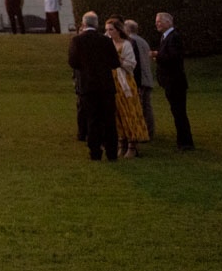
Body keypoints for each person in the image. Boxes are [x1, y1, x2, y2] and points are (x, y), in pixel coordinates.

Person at [67, 12, 121, 161]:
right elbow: (115, 63)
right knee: (109, 119)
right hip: (105, 86)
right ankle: (111, 152)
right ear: (96, 24)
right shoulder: (106, 41)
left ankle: (95, 152)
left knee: (92, 119)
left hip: (87, 86)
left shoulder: (77, 40)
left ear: (83, 24)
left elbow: (72, 62)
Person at [106, 20, 148, 157]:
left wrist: (118, 59)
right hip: (111, 81)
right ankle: (121, 142)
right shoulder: (107, 44)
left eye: (111, 29)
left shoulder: (126, 44)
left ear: (118, 30)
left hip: (124, 81)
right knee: (117, 113)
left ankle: (132, 144)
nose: (108, 32)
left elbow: (131, 64)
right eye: (107, 30)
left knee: (129, 111)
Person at [155, 11, 194, 150]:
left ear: (168, 22)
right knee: (177, 111)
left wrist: (157, 56)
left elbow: (174, 58)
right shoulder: (166, 37)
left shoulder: (174, 37)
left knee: (179, 112)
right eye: (156, 21)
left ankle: (185, 142)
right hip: (170, 80)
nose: (157, 24)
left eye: (159, 21)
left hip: (175, 81)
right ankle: (183, 140)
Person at [124, 18, 157, 139]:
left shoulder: (132, 41)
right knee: (146, 105)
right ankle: (149, 130)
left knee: (143, 106)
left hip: (141, 79)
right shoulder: (143, 41)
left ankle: (147, 131)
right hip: (146, 77)